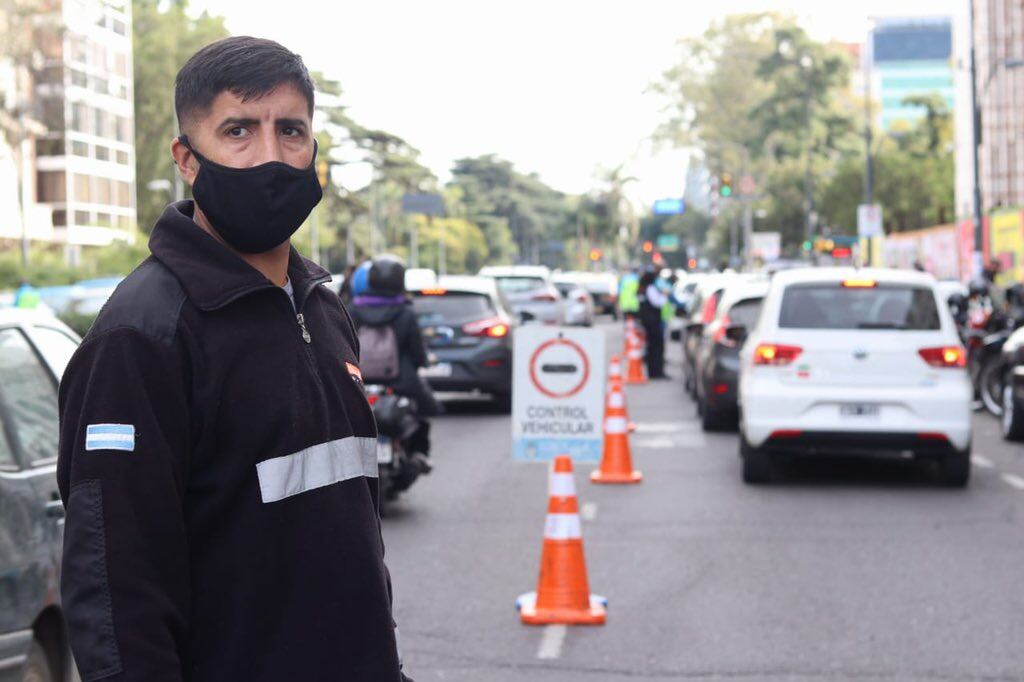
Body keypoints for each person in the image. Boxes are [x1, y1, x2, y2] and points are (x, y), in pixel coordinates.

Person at [57, 37, 411, 682]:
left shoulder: (324, 310)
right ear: (188, 161)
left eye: (291, 130)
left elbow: (351, 537)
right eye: (239, 131)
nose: (272, 156)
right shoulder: (142, 336)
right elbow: (115, 594)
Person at [349, 256, 440, 466]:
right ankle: (420, 453)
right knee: (424, 410)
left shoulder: (352, 309)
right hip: (401, 382)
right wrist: (422, 362)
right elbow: (417, 352)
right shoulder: (406, 312)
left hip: (359, 381)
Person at [638, 269, 669, 379]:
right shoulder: (650, 289)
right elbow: (658, 303)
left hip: (649, 324)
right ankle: (657, 372)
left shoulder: (643, 289)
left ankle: (654, 372)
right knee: (656, 348)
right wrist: (665, 295)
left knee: (652, 348)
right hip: (654, 324)